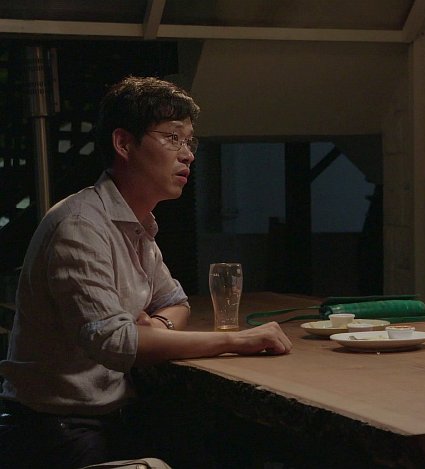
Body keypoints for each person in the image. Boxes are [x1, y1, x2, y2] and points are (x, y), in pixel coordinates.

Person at [0, 76, 292, 468]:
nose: (187, 155)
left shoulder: (136, 224)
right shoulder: (81, 225)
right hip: (54, 430)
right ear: (123, 143)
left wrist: (157, 326)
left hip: (110, 417)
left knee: (234, 445)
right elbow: (115, 342)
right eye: (172, 138)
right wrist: (237, 340)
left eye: (189, 142)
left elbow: (175, 301)